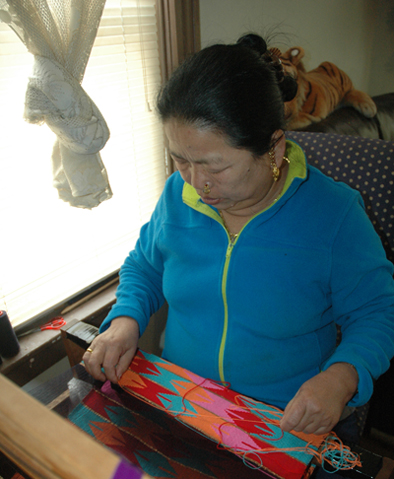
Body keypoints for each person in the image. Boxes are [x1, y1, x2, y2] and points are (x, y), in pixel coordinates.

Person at [83, 34, 394, 441]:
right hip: (181, 405)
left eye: (215, 166)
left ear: (274, 148)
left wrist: (341, 377)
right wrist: (126, 319)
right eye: (180, 159)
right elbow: (146, 265)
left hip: (281, 426)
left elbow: (378, 312)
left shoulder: (334, 215)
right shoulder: (179, 196)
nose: (196, 183)